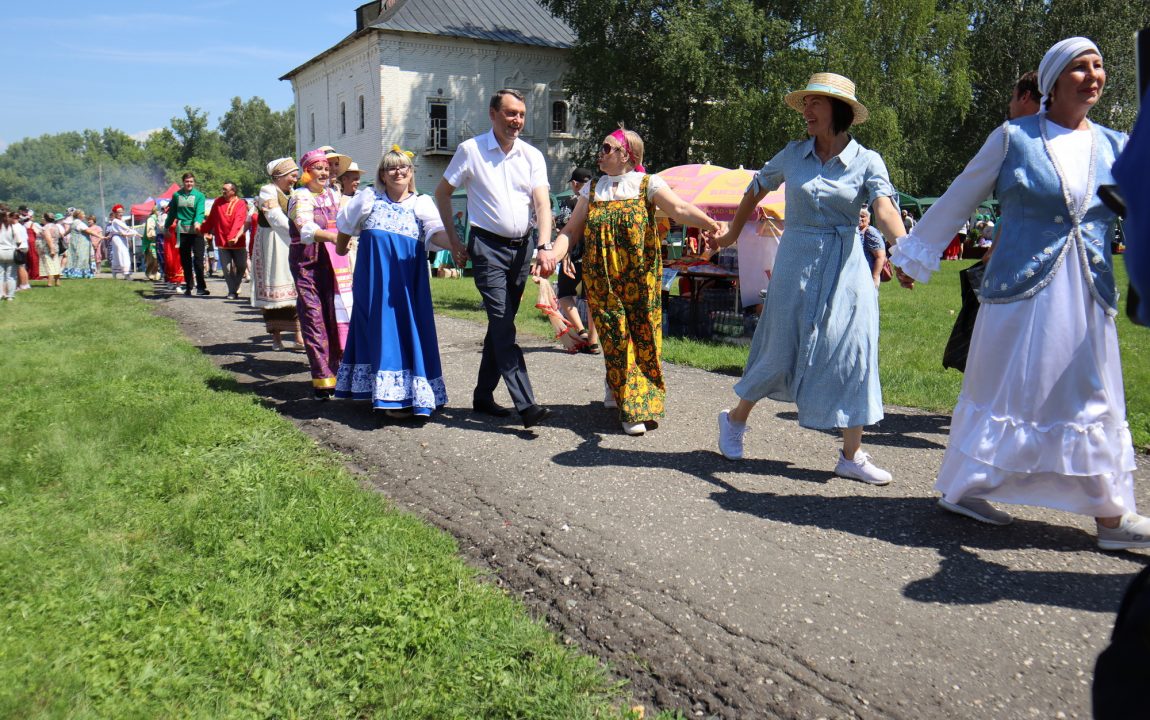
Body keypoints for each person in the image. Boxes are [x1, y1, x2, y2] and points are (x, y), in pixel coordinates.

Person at [888, 38, 1147, 548]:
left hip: (1088, 294)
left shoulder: (1117, 145)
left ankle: (1112, 513)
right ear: (1053, 82)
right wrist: (916, 255)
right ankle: (963, 489)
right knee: (999, 389)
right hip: (1022, 293)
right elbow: (963, 193)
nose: (1093, 75)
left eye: (1099, 65)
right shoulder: (1014, 138)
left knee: (1091, 394)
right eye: (1079, 67)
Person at [710, 72, 906, 484]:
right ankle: (734, 419)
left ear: (839, 111)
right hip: (795, 262)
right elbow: (756, 187)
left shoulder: (867, 160)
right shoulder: (792, 154)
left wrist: (905, 245)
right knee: (780, 347)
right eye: (806, 103)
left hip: (847, 267)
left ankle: (851, 455)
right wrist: (730, 232)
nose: (807, 110)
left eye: (816, 102)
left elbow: (884, 208)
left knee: (854, 351)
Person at [551, 130, 724, 435]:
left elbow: (680, 210)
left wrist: (710, 223)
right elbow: (571, 231)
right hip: (602, 276)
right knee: (614, 336)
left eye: (607, 147)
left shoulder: (648, 184)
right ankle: (632, 408)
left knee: (643, 337)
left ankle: (617, 386)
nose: (600, 152)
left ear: (627, 154)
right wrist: (553, 253)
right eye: (601, 147)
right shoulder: (592, 189)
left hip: (641, 277)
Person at [433, 88, 552, 429]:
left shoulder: (531, 156)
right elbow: (442, 193)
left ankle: (483, 396)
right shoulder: (470, 151)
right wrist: (454, 240)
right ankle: (526, 404)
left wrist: (544, 245)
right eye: (511, 113)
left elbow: (542, 204)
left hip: (523, 247)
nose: (517, 120)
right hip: (486, 248)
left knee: (500, 326)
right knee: (503, 323)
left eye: (521, 115)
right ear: (493, 114)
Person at [334, 147, 454, 418]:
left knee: (410, 330)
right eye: (392, 168)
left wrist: (460, 247)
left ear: (411, 173)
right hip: (374, 283)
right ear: (382, 175)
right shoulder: (368, 200)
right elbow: (345, 227)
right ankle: (390, 396)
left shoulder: (420, 204)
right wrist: (341, 250)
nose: (398, 172)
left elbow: (436, 234)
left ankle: (411, 393)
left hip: (408, 285)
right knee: (382, 332)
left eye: (404, 168)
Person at [288, 148, 345, 398]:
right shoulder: (299, 197)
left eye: (325, 168)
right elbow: (305, 227)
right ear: (306, 172)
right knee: (313, 317)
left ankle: (339, 372)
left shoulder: (333, 195)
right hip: (307, 264)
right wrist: (332, 236)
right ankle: (322, 378)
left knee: (336, 316)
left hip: (333, 263)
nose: (323, 172)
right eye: (317, 168)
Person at [252, 157, 303, 351]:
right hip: (273, 241)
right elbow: (275, 216)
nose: (294, 179)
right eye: (291, 175)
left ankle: (298, 335)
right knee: (275, 286)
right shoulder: (268, 191)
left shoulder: (294, 193)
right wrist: (297, 232)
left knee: (296, 285)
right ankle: (276, 336)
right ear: (279, 176)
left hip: (291, 240)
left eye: (295, 175)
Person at [554, 167, 600, 354]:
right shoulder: (600, 202)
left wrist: (563, 252)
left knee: (565, 294)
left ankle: (581, 331)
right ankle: (594, 341)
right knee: (592, 299)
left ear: (574, 183)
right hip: (596, 256)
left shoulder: (571, 201)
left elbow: (564, 228)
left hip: (573, 256)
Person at [202, 182, 249, 299]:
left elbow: (239, 220)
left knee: (242, 266)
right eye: (222, 189)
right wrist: (203, 229)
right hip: (222, 241)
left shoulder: (240, 203)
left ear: (233, 191)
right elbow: (211, 218)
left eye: (225, 190)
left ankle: (235, 287)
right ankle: (232, 291)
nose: (223, 192)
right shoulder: (217, 202)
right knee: (227, 269)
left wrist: (233, 237)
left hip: (237, 241)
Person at [165, 172, 208, 296]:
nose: (189, 184)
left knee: (199, 260)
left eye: (191, 182)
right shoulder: (176, 195)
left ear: (194, 183)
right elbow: (172, 213)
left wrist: (197, 222)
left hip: (196, 230)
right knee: (185, 260)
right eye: (187, 181)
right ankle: (189, 286)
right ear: (183, 182)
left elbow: (200, 211)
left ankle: (201, 287)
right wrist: (167, 226)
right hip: (183, 231)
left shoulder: (199, 196)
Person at [335, 161, 363, 272]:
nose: (358, 182)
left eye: (358, 179)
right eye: (355, 179)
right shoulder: (337, 199)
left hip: (358, 245)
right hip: (340, 244)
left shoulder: (361, 198)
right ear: (345, 179)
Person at [0, 206, 28, 300]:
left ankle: (1, 294)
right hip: (11, 252)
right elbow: (19, 241)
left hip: (0, 251)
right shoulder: (13, 227)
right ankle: (10, 295)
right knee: (11, 275)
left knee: (1, 275)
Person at [105, 204, 139, 280]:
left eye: (121, 212)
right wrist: (136, 233)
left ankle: (115, 272)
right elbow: (125, 230)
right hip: (118, 239)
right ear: (115, 213)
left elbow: (123, 230)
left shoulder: (120, 221)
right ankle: (126, 274)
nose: (120, 213)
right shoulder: (116, 221)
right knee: (123, 255)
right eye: (118, 212)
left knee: (118, 255)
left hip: (121, 238)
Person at [856, 207, 887, 286]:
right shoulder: (858, 231)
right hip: (858, 274)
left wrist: (875, 277)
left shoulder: (870, 232)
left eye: (863, 216)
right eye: (857, 216)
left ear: (869, 219)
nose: (859, 218)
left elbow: (880, 257)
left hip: (868, 275)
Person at [63, 209, 94, 278]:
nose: (84, 216)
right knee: (82, 258)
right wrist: (101, 236)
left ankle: (73, 272)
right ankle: (80, 273)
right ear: (79, 215)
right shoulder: (80, 224)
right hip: (82, 243)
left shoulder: (73, 223)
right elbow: (89, 231)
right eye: (83, 214)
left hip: (74, 243)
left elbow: (67, 231)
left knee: (74, 258)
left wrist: (62, 235)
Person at [38, 212, 62, 287]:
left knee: (49, 265)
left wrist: (51, 249)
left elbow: (48, 238)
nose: (41, 219)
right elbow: (60, 235)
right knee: (56, 264)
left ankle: (49, 283)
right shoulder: (55, 226)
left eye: (42, 217)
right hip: (55, 246)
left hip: (48, 248)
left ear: (45, 219)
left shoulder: (46, 227)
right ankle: (57, 281)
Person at [142, 205, 162, 281]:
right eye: (159, 211)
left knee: (157, 260)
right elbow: (150, 230)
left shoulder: (157, 218)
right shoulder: (151, 219)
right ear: (156, 211)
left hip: (156, 242)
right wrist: (154, 236)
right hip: (151, 242)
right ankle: (150, 273)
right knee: (153, 259)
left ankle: (155, 273)